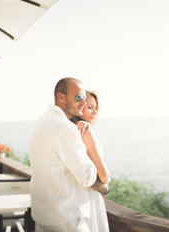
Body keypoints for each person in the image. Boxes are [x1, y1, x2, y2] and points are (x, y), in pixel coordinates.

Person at [29, 77, 109, 232]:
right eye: (79, 97)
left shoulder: (42, 120)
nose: (83, 103)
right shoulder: (66, 128)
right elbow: (88, 177)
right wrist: (104, 183)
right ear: (61, 97)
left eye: (84, 99)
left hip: (44, 214)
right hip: (66, 218)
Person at [72, 91, 110, 231]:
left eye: (95, 108)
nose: (94, 112)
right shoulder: (86, 130)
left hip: (82, 196)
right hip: (90, 196)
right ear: (79, 108)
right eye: (89, 107)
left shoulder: (74, 129)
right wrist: (105, 188)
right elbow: (104, 176)